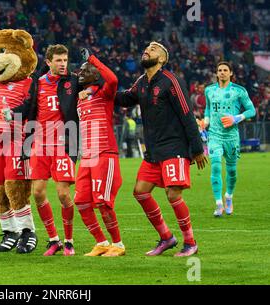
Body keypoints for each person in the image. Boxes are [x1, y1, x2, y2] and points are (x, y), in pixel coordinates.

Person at [115, 42, 208, 257]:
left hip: (175, 146)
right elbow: (124, 98)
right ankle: (167, 237)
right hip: (154, 150)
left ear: (162, 59)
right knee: (140, 192)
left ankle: (190, 243)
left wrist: (197, 148)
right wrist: (102, 87)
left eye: (154, 49)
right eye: (146, 47)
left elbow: (186, 114)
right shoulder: (141, 82)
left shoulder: (171, 81)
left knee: (173, 192)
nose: (147, 50)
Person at [12, 44, 79, 256]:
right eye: (58, 60)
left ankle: (69, 240)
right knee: (38, 193)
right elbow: (29, 107)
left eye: (65, 60)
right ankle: (54, 240)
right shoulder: (38, 83)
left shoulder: (73, 81)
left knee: (63, 194)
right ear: (48, 62)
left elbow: (101, 83)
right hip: (39, 145)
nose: (63, 64)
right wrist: (11, 113)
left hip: (63, 145)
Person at [75, 48, 126, 257]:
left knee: (102, 203)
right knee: (81, 202)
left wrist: (93, 60)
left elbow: (113, 79)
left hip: (104, 153)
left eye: (85, 69)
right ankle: (102, 242)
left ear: (95, 72)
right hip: (87, 156)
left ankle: (119, 244)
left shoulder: (104, 93)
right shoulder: (80, 97)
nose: (80, 72)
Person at [202, 61, 256, 216]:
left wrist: (236, 118)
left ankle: (229, 196)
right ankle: (219, 203)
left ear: (231, 73)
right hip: (215, 135)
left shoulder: (239, 91)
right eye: (219, 70)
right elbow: (208, 110)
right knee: (216, 166)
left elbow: (251, 110)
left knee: (231, 171)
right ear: (216, 73)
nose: (222, 72)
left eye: (225, 70)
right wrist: (205, 122)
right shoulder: (209, 90)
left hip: (232, 137)